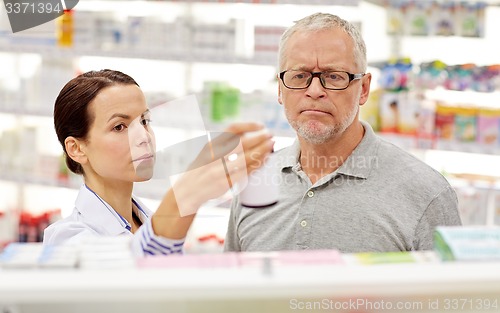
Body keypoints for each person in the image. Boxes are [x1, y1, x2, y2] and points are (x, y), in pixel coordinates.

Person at [224, 13, 462, 253]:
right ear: (280, 89)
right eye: (299, 76)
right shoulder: (254, 180)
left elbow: (453, 289)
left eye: (334, 76)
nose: (314, 91)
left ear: (364, 89)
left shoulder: (426, 193)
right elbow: (230, 287)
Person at [43, 69, 274, 256]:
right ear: (76, 148)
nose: (144, 137)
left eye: (144, 121)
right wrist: (185, 195)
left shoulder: (148, 219)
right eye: (119, 127)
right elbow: (129, 281)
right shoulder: (67, 240)